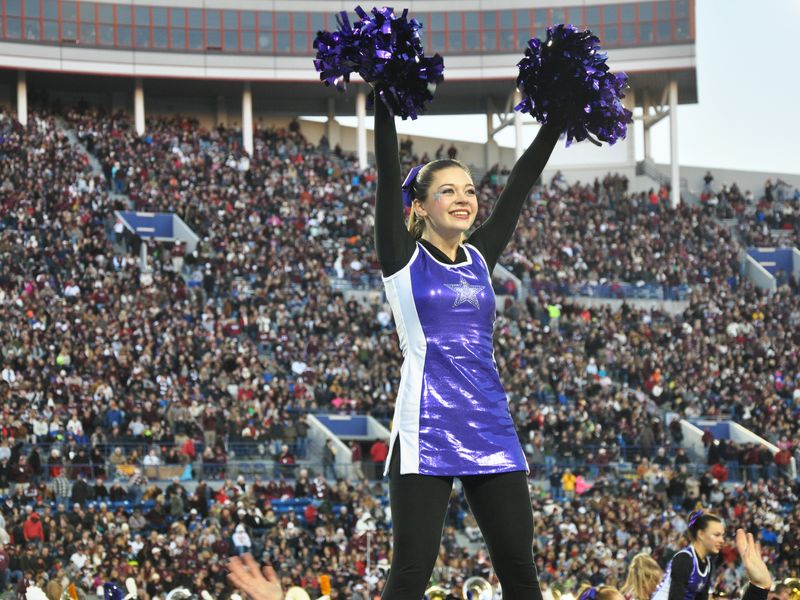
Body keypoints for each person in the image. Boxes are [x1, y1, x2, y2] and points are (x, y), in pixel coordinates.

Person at [372, 85, 561, 599]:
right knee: (412, 569)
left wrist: (557, 117)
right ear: (421, 205)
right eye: (449, 190)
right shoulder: (402, 257)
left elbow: (520, 182)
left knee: (520, 570)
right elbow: (388, 174)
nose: (464, 199)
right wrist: (384, 92)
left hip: (490, 423)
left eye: (470, 190)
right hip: (427, 422)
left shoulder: (480, 258)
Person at [651, 510, 725, 600]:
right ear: (701, 534)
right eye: (717, 535)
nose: (722, 540)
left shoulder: (708, 564)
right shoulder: (684, 559)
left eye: (722, 535)